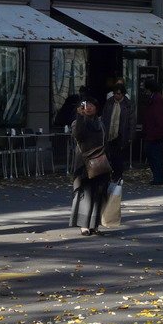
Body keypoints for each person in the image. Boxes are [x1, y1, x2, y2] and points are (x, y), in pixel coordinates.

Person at [69, 97, 111, 236]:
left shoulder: (101, 123)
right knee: (85, 194)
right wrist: (80, 117)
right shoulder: (78, 122)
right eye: (86, 105)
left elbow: (106, 141)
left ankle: (94, 225)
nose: (89, 107)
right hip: (84, 163)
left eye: (92, 104)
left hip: (100, 162)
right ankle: (83, 225)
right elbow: (79, 135)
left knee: (99, 194)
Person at [141, 79, 163, 185]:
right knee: (153, 154)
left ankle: (158, 177)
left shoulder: (156, 100)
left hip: (155, 132)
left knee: (153, 154)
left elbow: (158, 117)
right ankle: (158, 175)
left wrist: (154, 131)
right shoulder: (155, 99)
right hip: (153, 131)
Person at [101, 83, 136, 182]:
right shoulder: (109, 102)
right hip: (109, 133)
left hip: (121, 133)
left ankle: (118, 174)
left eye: (118, 94)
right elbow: (104, 117)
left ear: (123, 94)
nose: (116, 95)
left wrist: (130, 136)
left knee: (119, 156)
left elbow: (132, 121)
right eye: (115, 93)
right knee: (110, 155)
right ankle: (112, 174)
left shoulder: (128, 104)